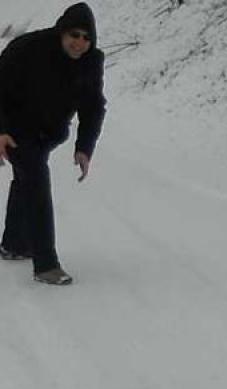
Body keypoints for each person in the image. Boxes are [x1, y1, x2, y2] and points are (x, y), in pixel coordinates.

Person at [0, 3, 106, 285]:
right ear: (62, 31)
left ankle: (14, 244)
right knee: (35, 179)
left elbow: (93, 106)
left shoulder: (91, 61)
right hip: (14, 129)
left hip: (48, 133)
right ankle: (46, 264)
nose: (79, 43)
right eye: (74, 34)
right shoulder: (28, 48)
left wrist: (84, 147)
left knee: (26, 179)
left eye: (87, 37)